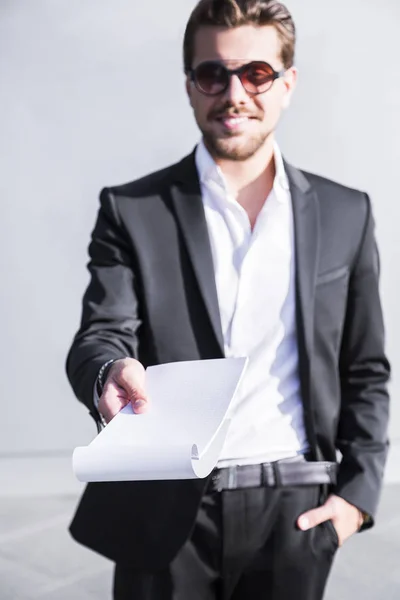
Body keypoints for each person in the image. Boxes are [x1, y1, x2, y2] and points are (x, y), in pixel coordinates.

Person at [66, 1, 390, 598]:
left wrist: (356, 498)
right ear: (190, 86)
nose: (234, 91)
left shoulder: (348, 213)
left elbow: (366, 368)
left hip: (296, 514)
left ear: (287, 84)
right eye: (213, 74)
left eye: (257, 74)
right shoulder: (131, 210)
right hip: (167, 511)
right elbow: (102, 332)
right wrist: (111, 370)